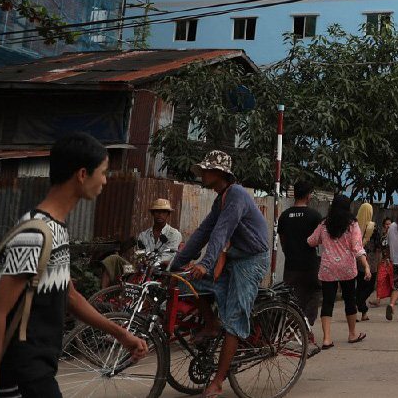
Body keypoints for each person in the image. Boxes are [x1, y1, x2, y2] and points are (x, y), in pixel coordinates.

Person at [0, 133, 148, 398]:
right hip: (19, 377)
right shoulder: (35, 234)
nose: (105, 180)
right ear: (82, 174)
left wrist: (121, 334)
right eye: (102, 172)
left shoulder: (56, 230)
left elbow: (69, 296)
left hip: (39, 371)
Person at [172, 150, 270, 398]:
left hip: (251, 260)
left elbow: (221, 232)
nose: (202, 174)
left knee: (235, 319)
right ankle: (212, 324)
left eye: (206, 170)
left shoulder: (236, 195)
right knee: (188, 281)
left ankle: (218, 380)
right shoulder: (220, 199)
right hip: (234, 257)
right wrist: (175, 265)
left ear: (220, 173)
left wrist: (206, 262)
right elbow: (203, 232)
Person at [307, 195, 370, 348]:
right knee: (350, 300)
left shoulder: (324, 224)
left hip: (328, 268)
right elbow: (357, 247)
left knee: (328, 302)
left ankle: (327, 339)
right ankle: (352, 334)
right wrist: (366, 266)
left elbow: (311, 241)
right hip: (347, 268)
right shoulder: (352, 225)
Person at [278, 181, 323, 327]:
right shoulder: (315, 216)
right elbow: (319, 240)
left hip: (291, 264)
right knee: (313, 293)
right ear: (308, 195)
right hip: (310, 263)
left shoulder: (284, 216)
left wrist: (289, 252)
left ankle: (293, 326)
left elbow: (282, 240)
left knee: (291, 296)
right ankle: (307, 326)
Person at [135, 199, 182, 268]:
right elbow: (139, 256)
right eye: (157, 211)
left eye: (164, 212)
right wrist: (142, 261)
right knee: (126, 271)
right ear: (152, 213)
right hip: (144, 272)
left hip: (163, 274)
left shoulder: (174, 234)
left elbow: (168, 257)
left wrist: (149, 262)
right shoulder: (143, 235)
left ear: (168, 214)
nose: (160, 215)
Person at [353, 202, 377, 322]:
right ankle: (358, 304)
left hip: (356, 260)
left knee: (360, 286)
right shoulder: (372, 227)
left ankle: (363, 312)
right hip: (370, 261)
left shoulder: (353, 226)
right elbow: (378, 245)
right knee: (370, 286)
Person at [370, 217, 393, 308]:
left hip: (392, 261)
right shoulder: (382, 237)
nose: (388, 226)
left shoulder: (395, 236)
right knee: (380, 279)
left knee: (392, 280)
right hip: (383, 261)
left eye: (390, 224)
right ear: (384, 226)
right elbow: (379, 249)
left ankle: (393, 297)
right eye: (387, 224)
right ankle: (378, 299)